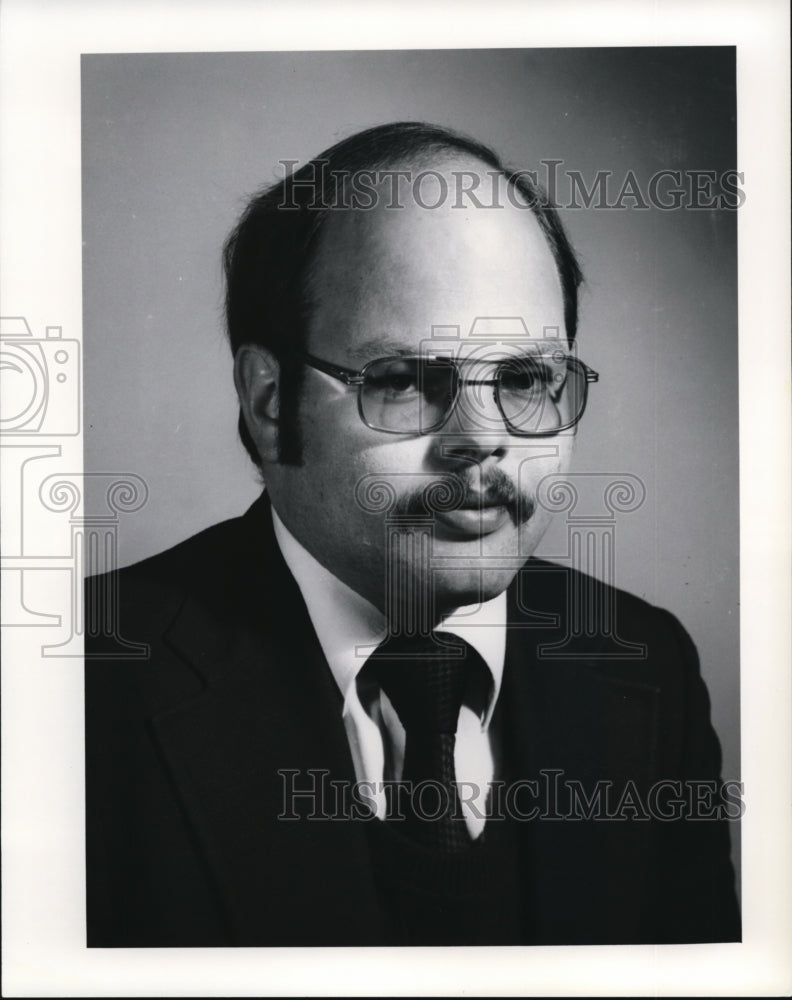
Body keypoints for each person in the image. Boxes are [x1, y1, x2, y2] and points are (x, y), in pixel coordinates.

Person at [85, 122, 740, 947]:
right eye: (402, 381)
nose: (482, 438)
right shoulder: (84, 684)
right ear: (270, 402)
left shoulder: (646, 664)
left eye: (526, 378)